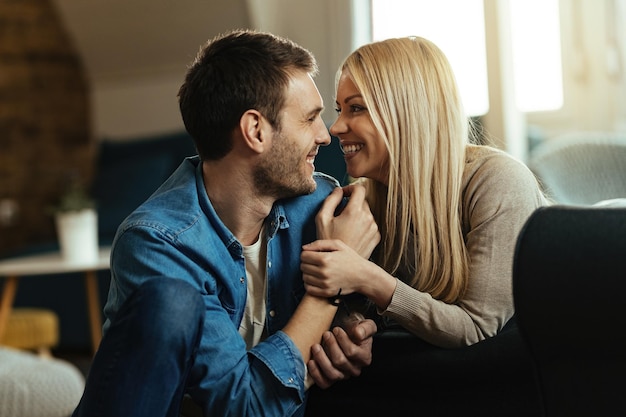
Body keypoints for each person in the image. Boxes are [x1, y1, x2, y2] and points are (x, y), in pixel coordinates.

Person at [71, 29, 380, 417]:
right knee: (172, 302)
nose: (325, 135)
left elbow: (357, 311)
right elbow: (245, 407)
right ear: (255, 131)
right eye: (310, 119)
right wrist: (328, 285)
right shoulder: (157, 242)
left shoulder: (321, 206)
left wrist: (351, 326)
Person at [300, 36, 548, 349]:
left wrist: (367, 277)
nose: (335, 128)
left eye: (356, 108)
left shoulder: (497, 181)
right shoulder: (362, 203)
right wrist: (352, 325)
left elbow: (477, 330)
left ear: (406, 113)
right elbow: (362, 308)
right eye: (339, 110)